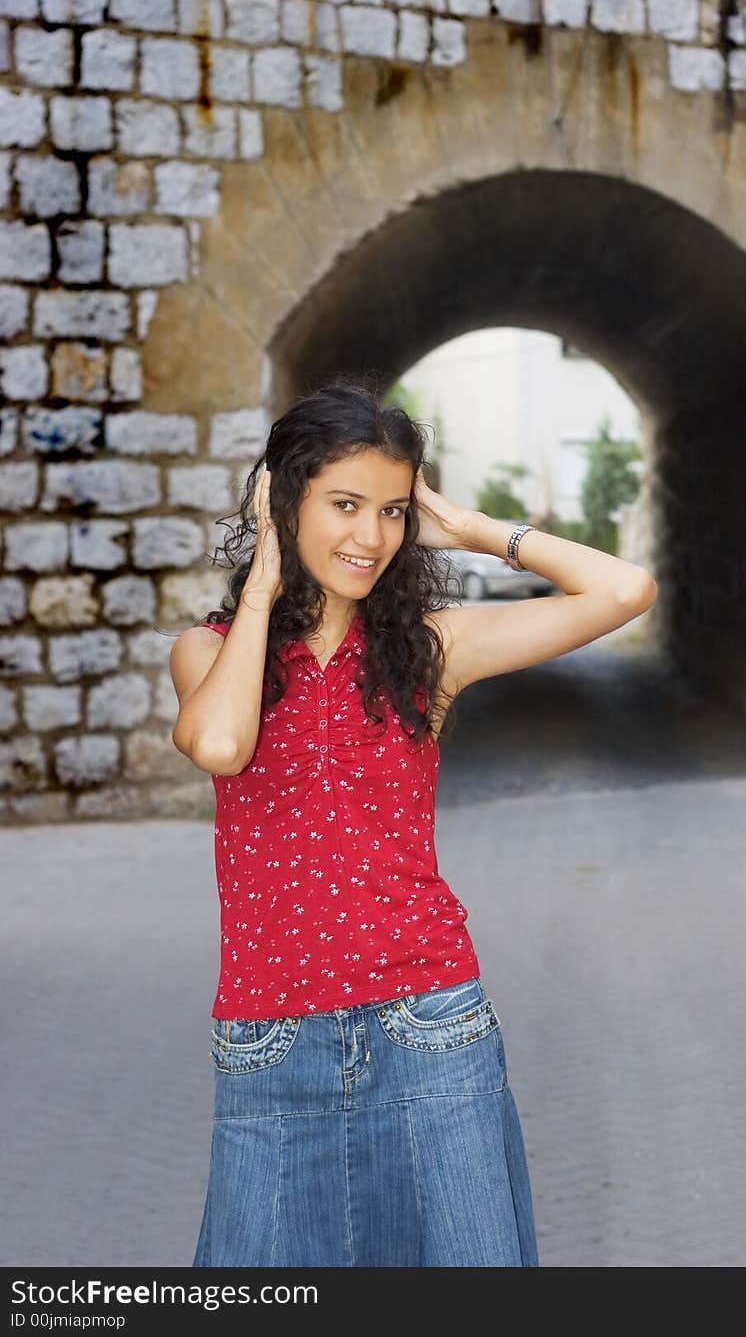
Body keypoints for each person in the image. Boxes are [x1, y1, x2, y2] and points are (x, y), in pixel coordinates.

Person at [169, 380, 658, 1268]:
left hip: (430, 1026)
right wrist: (262, 589)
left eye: (391, 511)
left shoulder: (431, 649)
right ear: (282, 503)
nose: (370, 536)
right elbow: (218, 741)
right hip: (269, 1039)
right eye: (344, 504)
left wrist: (472, 529)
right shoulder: (209, 650)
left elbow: (624, 588)